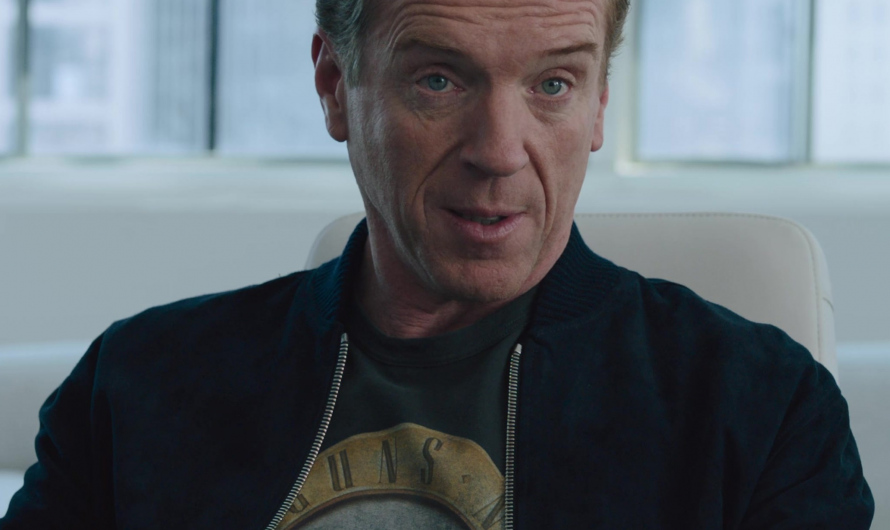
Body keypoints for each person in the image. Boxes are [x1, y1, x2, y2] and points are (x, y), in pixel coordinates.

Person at [1, 0, 875, 528]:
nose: (498, 151)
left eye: (553, 85)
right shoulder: (141, 386)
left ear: (600, 104)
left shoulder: (757, 409)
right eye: (439, 81)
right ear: (335, 85)